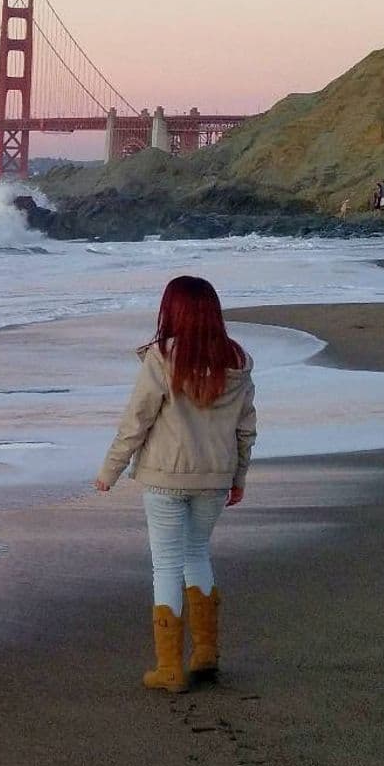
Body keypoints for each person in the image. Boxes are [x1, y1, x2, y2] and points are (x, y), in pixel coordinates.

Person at [93, 276, 257, 693]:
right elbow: (245, 430)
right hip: (216, 477)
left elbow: (137, 421)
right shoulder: (236, 360)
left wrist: (110, 470)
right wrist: (237, 478)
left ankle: (169, 669)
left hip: (166, 476)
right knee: (197, 554)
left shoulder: (162, 358)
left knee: (166, 565)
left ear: (172, 311)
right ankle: (204, 654)